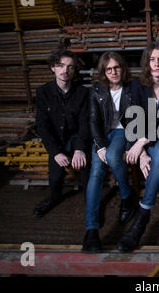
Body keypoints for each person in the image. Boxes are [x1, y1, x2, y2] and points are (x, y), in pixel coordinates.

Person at [117, 42, 159, 252]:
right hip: (149, 143)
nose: (156, 63)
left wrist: (140, 143)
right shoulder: (137, 86)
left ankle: (142, 216)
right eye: (152, 59)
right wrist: (143, 153)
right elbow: (133, 120)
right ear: (146, 62)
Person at [82, 52, 135, 253]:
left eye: (117, 67)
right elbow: (93, 120)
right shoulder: (96, 90)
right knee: (96, 170)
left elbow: (135, 119)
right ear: (104, 71)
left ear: (123, 68)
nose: (114, 72)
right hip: (103, 135)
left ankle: (126, 196)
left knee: (113, 157)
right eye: (109, 69)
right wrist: (100, 145)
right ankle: (91, 230)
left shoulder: (132, 88)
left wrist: (131, 145)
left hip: (123, 132)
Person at [34, 49, 90, 217]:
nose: (65, 71)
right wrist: (55, 152)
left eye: (70, 67)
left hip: (77, 138)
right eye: (60, 66)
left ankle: (90, 201)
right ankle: (53, 197)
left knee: (87, 166)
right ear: (53, 68)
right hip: (57, 141)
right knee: (56, 176)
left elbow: (85, 123)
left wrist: (80, 149)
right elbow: (42, 125)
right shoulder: (43, 92)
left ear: (74, 71)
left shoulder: (83, 93)